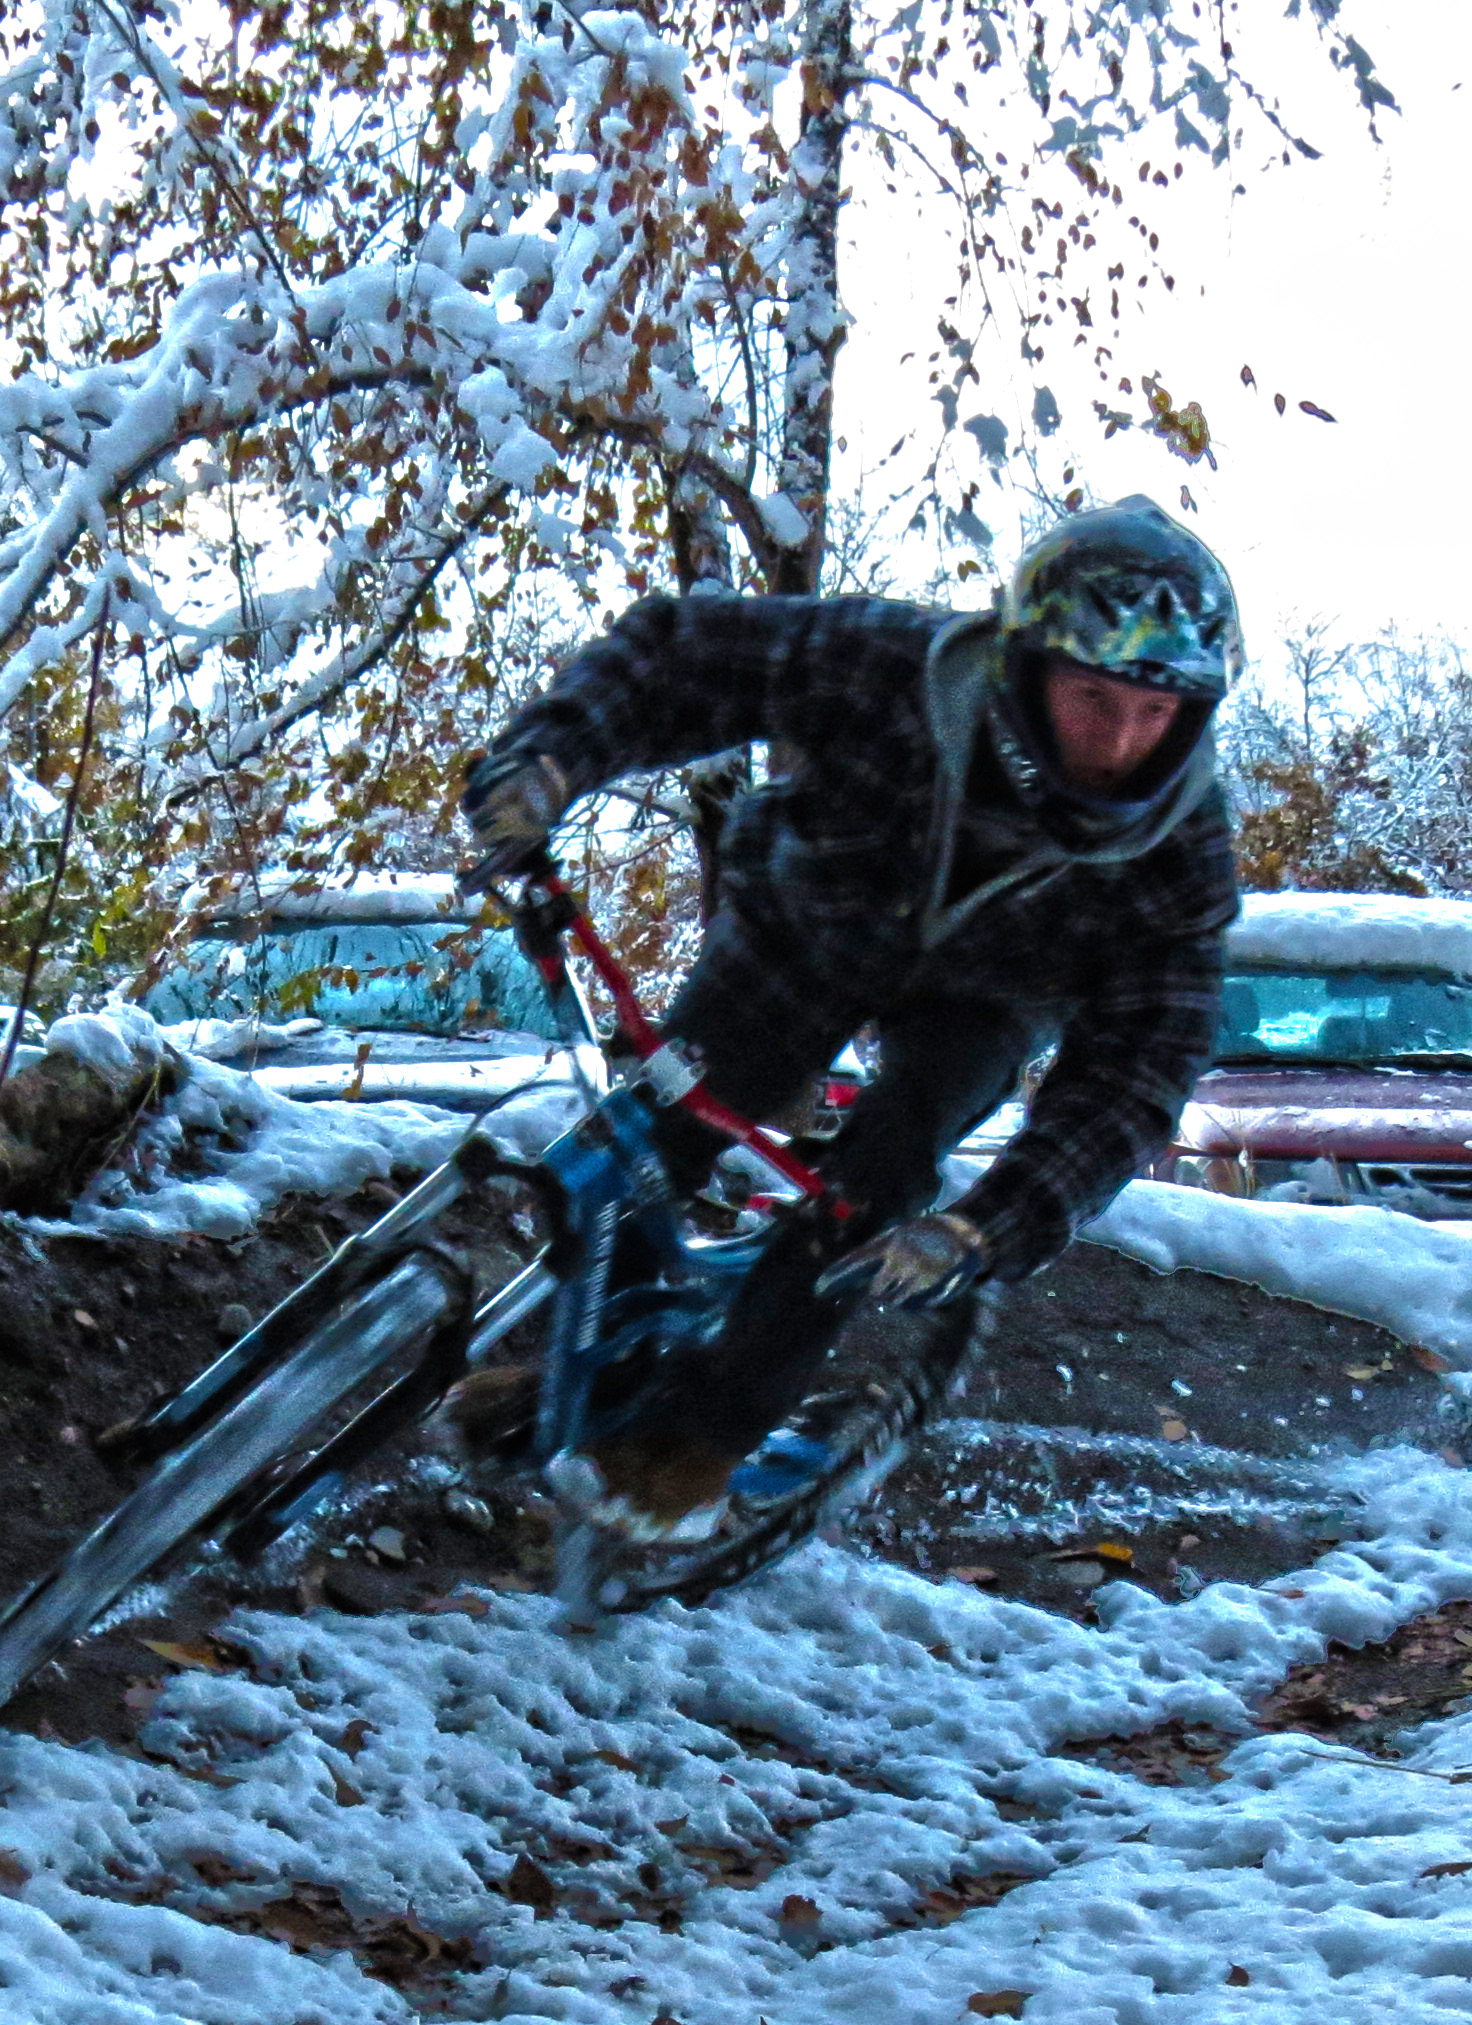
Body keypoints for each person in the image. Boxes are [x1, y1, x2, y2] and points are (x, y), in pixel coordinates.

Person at [458, 495, 1243, 1520]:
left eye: (1157, 713)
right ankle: (592, 1371)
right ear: (1026, 663)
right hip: (806, 928)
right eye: (1094, 698)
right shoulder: (892, 669)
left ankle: (702, 1432)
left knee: (885, 1166)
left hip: (990, 995)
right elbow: (684, 655)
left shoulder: (1181, 852)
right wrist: (551, 758)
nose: (1120, 741)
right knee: (650, 1136)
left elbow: (1136, 1071)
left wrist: (988, 1228)